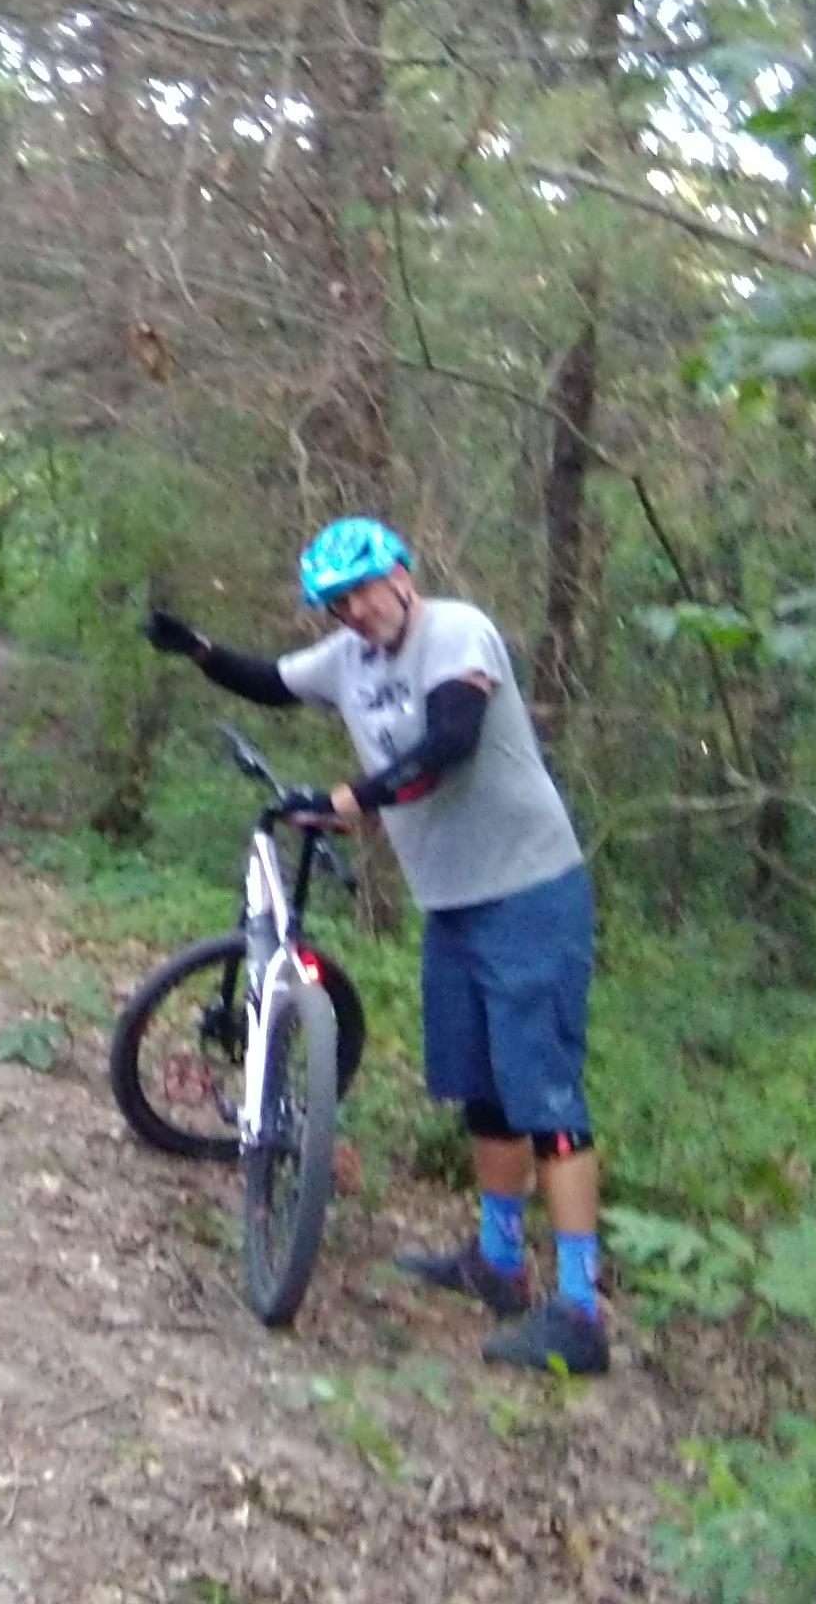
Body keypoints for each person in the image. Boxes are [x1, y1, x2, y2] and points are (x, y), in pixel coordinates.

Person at [144, 516, 607, 1376]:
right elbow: (273, 682)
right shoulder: (350, 659)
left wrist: (352, 797)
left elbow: (450, 743)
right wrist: (200, 649)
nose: (354, 611)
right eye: (336, 601)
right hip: (453, 904)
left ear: (401, 573)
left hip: (529, 891)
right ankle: (497, 1261)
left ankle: (581, 1311)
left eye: (362, 589)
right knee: (483, 1092)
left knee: (546, 1095)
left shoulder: (455, 631)